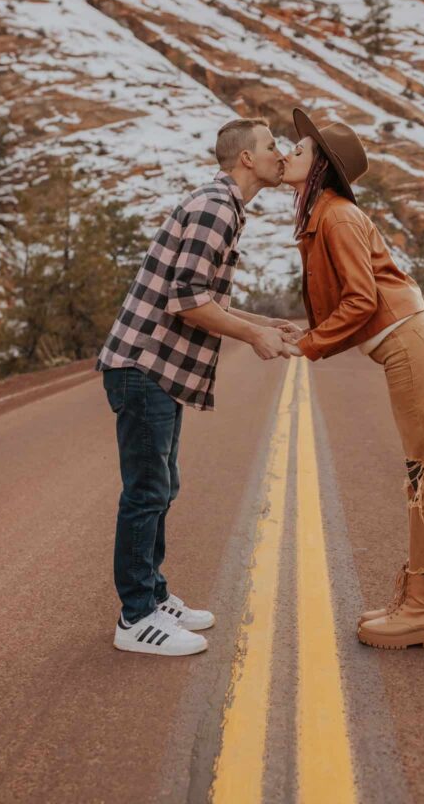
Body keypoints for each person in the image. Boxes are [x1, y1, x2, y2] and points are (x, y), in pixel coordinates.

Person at [96, 118, 300, 656]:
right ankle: (136, 618)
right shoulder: (216, 207)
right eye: (273, 146)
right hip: (144, 367)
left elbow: (203, 297)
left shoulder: (224, 206)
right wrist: (254, 334)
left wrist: (263, 321)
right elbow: (187, 301)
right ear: (246, 159)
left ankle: (154, 596)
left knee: (162, 487)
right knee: (145, 493)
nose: (282, 155)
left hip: (155, 371)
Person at [281, 107, 424, 650]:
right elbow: (350, 304)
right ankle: (418, 596)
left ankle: (423, 608)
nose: (289, 152)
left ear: (321, 165)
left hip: (411, 345)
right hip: (408, 344)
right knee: (422, 471)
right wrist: (304, 334)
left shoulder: (337, 216)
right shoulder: (324, 213)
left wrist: (307, 344)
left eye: (300, 149)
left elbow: (362, 300)